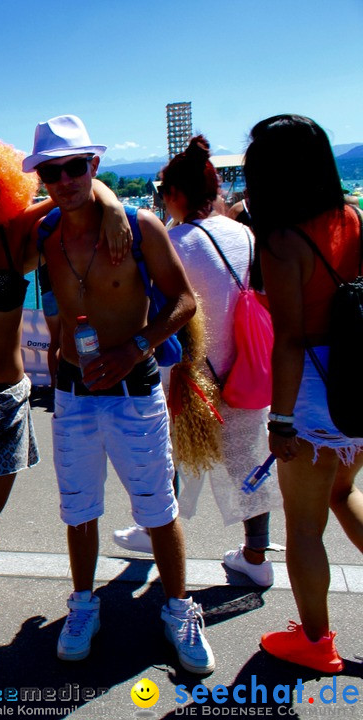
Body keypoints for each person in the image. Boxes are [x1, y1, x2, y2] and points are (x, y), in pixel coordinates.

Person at [0, 131, 130, 679]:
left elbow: (76, 193)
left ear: (2, 191)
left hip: (7, 401)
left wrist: (109, 204)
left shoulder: (17, 235)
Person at [25, 114, 213, 674]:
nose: (65, 179)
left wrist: (134, 348)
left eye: (76, 167)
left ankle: (179, 609)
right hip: (74, 393)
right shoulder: (45, 235)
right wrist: (100, 198)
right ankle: (83, 604)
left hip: (134, 390)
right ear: (42, 178)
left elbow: (183, 302)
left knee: (158, 507)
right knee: (78, 510)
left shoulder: (139, 225)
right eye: (52, 170)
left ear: (94, 166)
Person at [113, 135, 279, 588]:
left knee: (169, 456)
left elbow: (158, 308)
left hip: (192, 373)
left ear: (174, 195)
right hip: (246, 370)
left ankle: (154, 530)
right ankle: (256, 557)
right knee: (248, 462)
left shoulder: (174, 241)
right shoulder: (243, 233)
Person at [244, 114, 363, 674]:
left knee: (305, 527)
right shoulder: (353, 218)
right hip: (360, 380)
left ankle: (316, 642)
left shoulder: (281, 241)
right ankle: (314, 636)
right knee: (344, 495)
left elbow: (289, 340)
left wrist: (282, 421)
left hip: (314, 389)